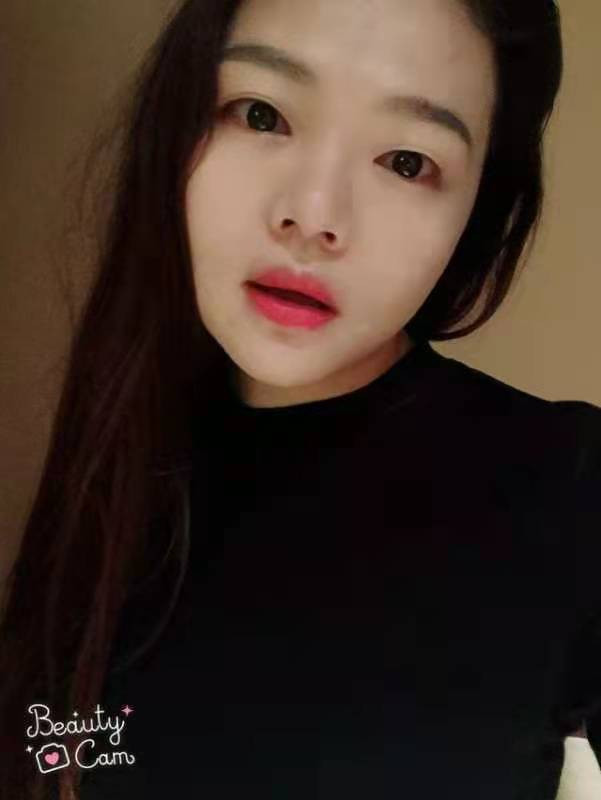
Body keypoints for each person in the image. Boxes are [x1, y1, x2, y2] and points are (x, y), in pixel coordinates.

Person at [0, 0, 599, 798]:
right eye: (262, 114)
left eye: (406, 161)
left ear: (476, 210)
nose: (313, 216)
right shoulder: (114, 457)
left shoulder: (568, 487)